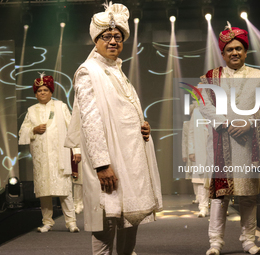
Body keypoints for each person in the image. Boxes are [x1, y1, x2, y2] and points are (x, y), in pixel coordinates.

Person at [71, 2, 163, 254]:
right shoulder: (88, 71)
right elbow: (90, 121)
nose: (113, 41)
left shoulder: (117, 70)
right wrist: (102, 165)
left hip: (129, 159)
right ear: (96, 40)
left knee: (129, 220)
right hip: (109, 160)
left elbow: (123, 112)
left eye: (117, 36)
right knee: (105, 222)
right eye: (107, 36)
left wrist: (142, 126)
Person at [199, 22, 260, 255]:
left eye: (239, 48)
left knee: (249, 196)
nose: (234, 52)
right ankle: (215, 242)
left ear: (245, 51)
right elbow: (204, 104)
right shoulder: (210, 78)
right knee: (220, 197)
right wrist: (225, 123)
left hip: (248, 143)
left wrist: (249, 123)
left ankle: (249, 241)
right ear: (222, 53)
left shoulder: (258, 75)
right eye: (229, 49)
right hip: (222, 142)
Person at [19, 74, 80, 233]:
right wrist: (34, 129)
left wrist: (77, 150)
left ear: (51, 91)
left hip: (60, 156)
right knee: (44, 191)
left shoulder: (61, 107)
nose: (42, 93)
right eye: (39, 91)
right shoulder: (31, 111)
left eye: (45, 90)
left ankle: (71, 222)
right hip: (41, 158)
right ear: (35, 93)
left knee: (64, 190)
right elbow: (22, 132)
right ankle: (47, 222)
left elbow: (73, 130)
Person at [188, 100, 210, 217]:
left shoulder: (219, 109)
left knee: (217, 179)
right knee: (201, 180)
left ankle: (220, 207)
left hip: (214, 150)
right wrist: (191, 150)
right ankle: (203, 207)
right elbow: (191, 133)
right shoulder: (196, 112)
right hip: (200, 150)